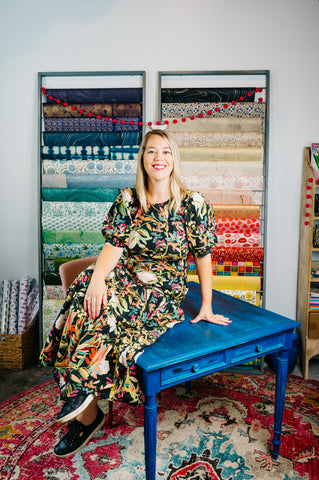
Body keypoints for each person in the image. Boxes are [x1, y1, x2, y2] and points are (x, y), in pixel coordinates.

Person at [40, 128, 231, 458]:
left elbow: (203, 256)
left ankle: (86, 408)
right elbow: (113, 247)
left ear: (174, 159)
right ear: (142, 159)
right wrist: (98, 278)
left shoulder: (193, 204)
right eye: (151, 151)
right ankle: (85, 399)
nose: (159, 158)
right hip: (125, 276)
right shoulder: (128, 200)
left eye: (166, 151)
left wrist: (208, 305)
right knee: (86, 288)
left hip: (161, 290)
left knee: (99, 306)